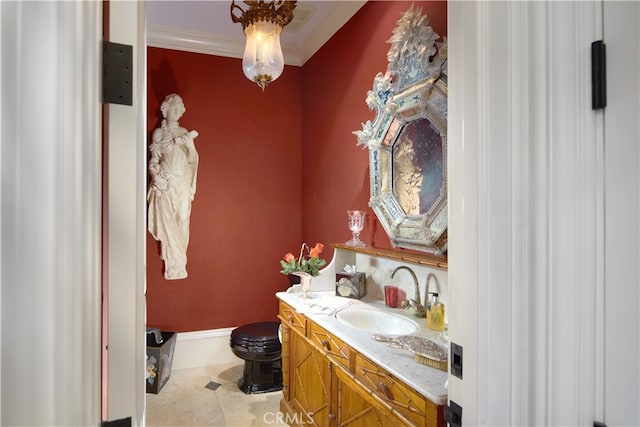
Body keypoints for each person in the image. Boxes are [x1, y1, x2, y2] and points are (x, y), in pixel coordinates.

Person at [147, 93, 199, 280]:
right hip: (166, 183)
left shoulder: (184, 133)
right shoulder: (159, 134)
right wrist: (156, 177)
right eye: (174, 108)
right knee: (169, 222)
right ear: (165, 109)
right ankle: (174, 263)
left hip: (183, 183)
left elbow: (193, 160)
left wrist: (190, 146)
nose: (178, 112)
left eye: (180, 109)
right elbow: (154, 161)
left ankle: (179, 262)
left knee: (183, 219)